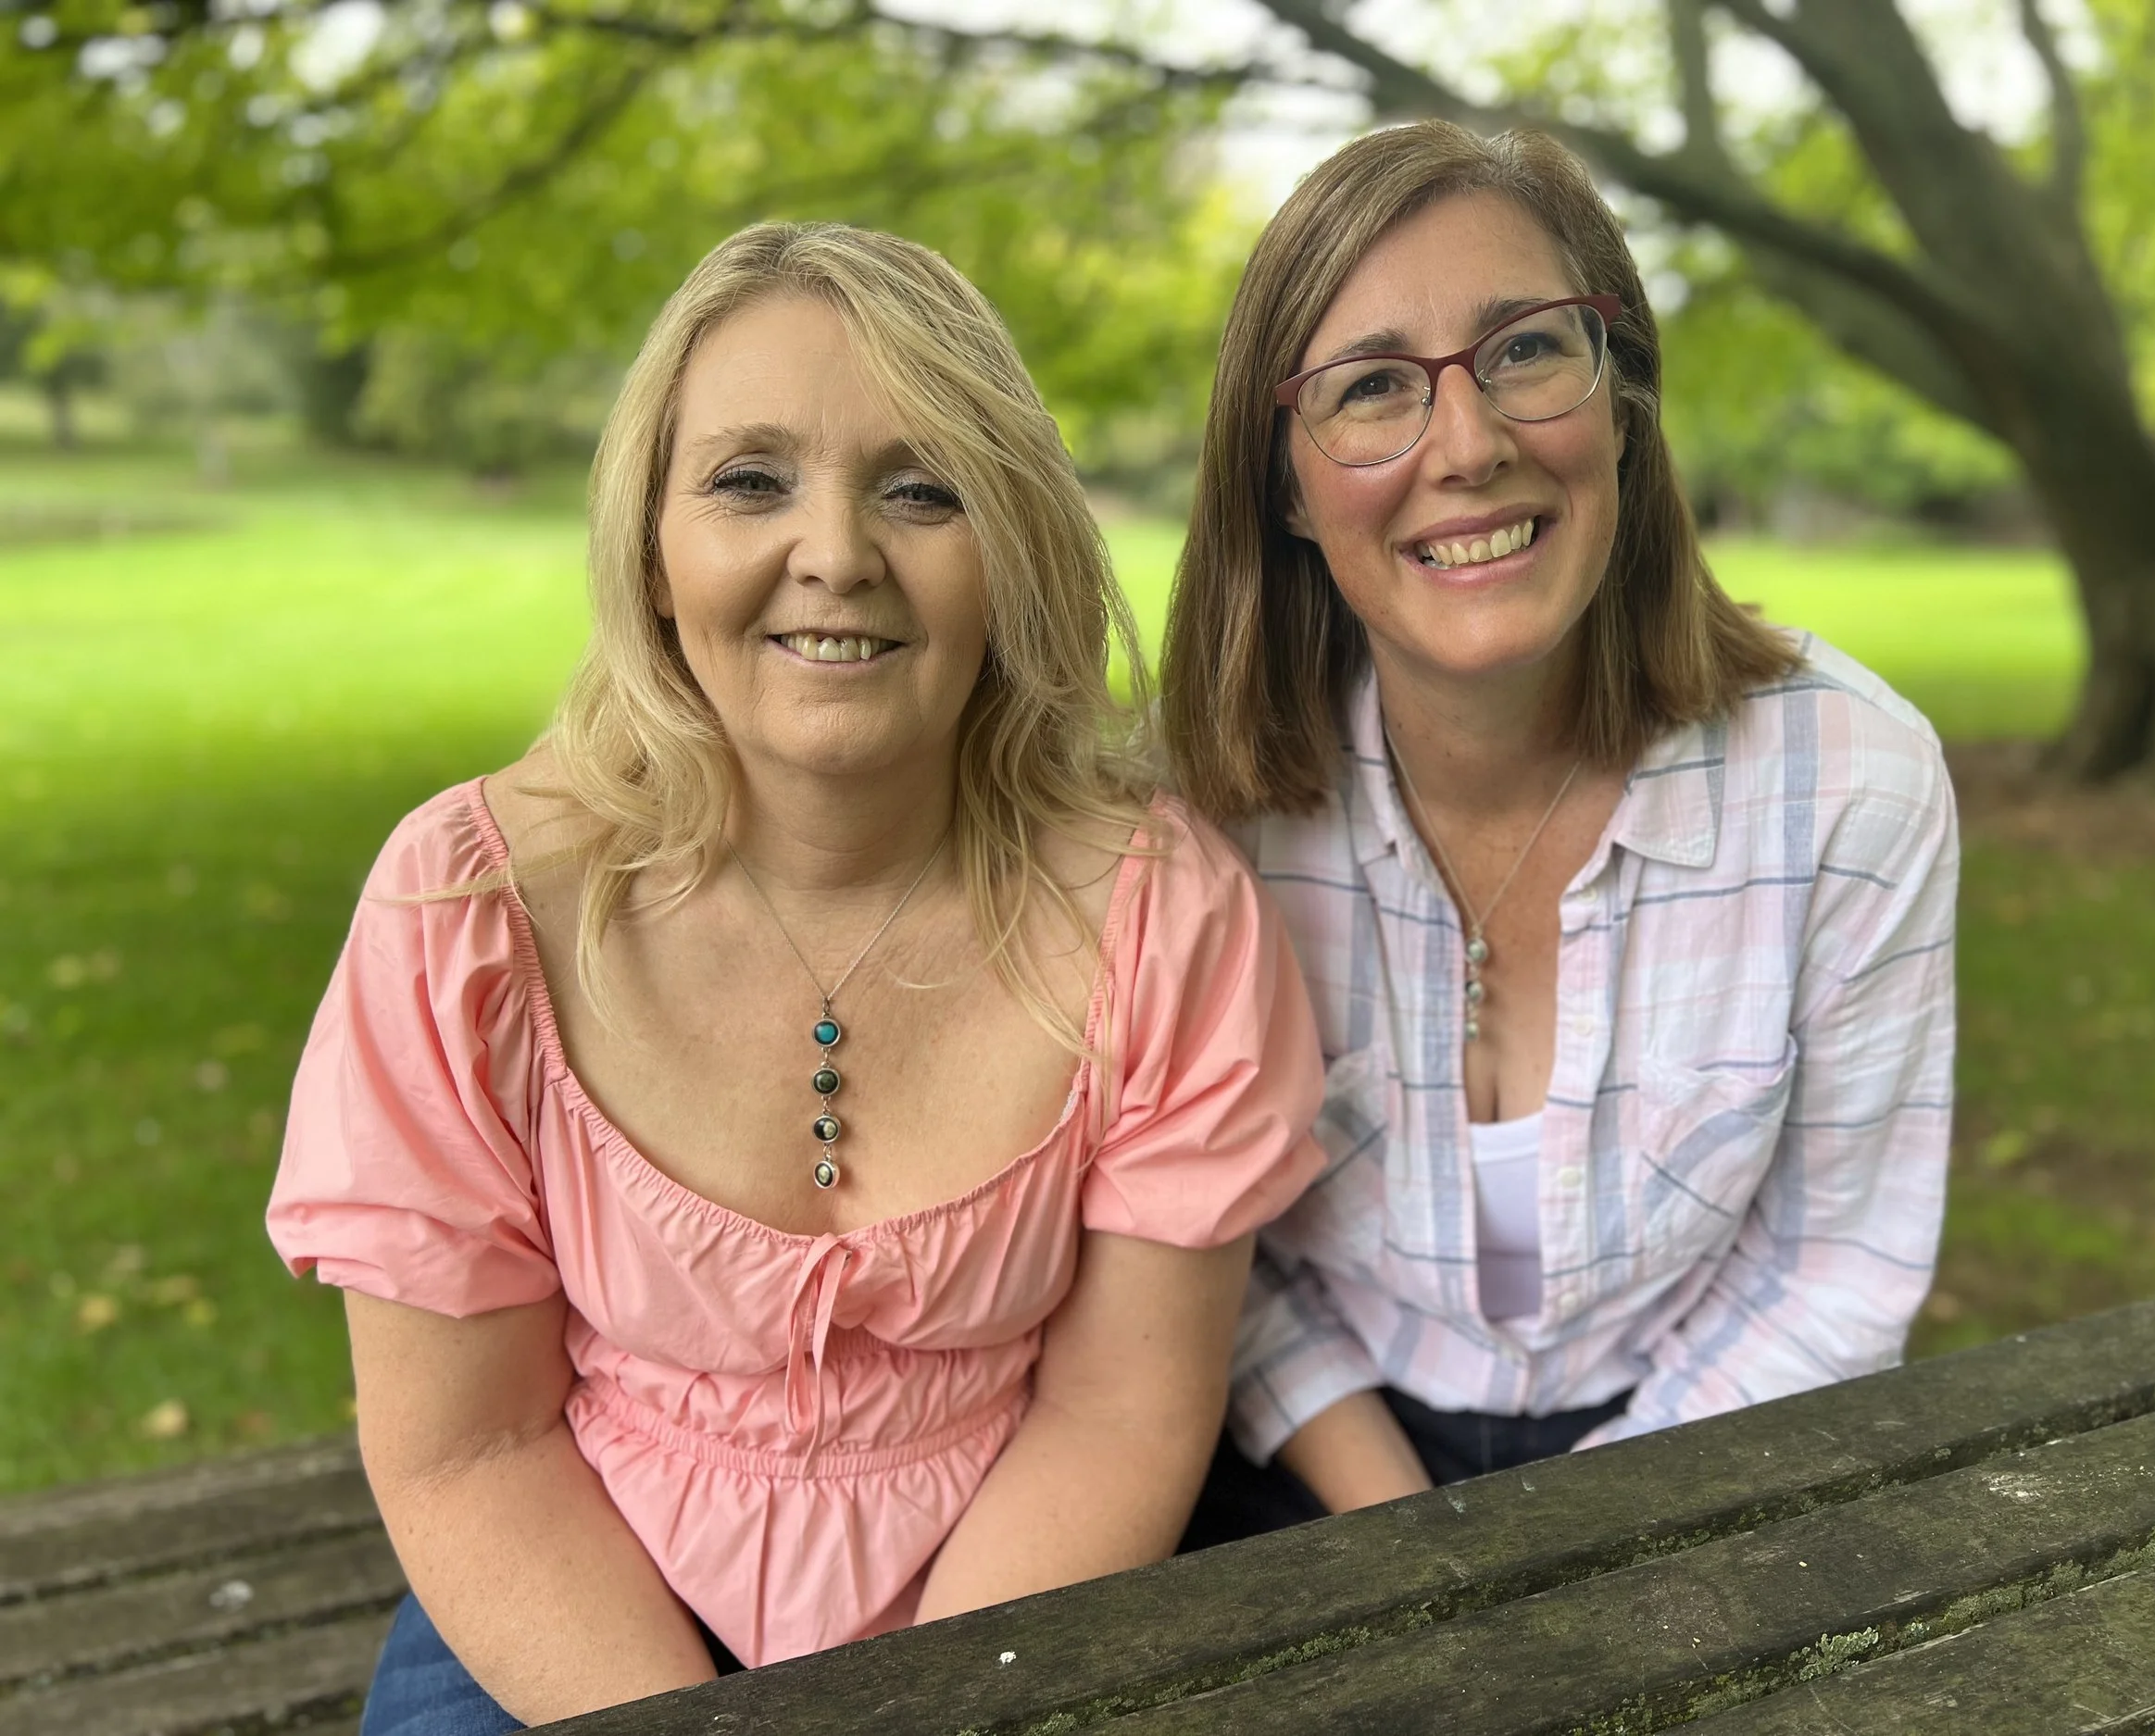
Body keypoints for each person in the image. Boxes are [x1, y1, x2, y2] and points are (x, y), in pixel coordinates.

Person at [267, 221, 1323, 1730]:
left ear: (1011, 539)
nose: (835, 552)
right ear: (652, 539)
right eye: (750, 480)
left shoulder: (1162, 917)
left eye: (921, 486)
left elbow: (1119, 1410)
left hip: (1010, 1588)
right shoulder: (471, 909)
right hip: (581, 1592)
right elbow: (472, 1450)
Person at [1163, 122, 1958, 1544]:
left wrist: (1560, 1558)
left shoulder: (1853, 780)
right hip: (1309, 1463)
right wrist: (1402, 1524)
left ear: (1623, 397)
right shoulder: (1198, 819)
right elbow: (1203, 1251)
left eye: (1526, 350)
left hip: (1705, 1451)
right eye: (1371, 388)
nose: (1466, 447)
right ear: (1284, 482)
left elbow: (1834, 1274)